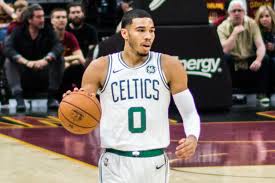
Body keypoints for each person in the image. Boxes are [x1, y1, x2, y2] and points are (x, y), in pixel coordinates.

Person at [64, 9, 200, 183]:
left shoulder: (170, 66)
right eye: (141, 30)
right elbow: (82, 107)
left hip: (155, 161)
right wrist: (72, 104)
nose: (148, 36)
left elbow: (189, 112)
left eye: (152, 31)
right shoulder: (100, 67)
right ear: (125, 33)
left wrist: (193, 137)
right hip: (115, 161)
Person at [3, 4, 64, 111]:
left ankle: (51, 98)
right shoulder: (18, 31)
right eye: (39, 17)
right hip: (24, 71)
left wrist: (46, 59)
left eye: (43, 16)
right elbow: (8, 49)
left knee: (59, 59)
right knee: (9, 61)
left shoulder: (48, 30)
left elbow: (58, 46)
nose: (42, 20)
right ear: (30, 20)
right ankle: (19, 100)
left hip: (43, 71)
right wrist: (25, 62)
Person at [217, 0, 270, 106]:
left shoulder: (252, 23)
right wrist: (234, 33)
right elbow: (225, 50)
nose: (237, 13)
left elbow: (260, 46)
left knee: (265, 58)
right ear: (229, 13)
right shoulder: (222, 27)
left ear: (244, 12)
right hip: (232, 64)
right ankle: (227, 95)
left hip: (249, 63)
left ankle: (262, 94)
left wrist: (258, 60)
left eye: (239, 10)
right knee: (225, 58)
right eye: (234, 11)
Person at [51, 8, 85, 100]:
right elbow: (48, 59)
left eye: (63, 17)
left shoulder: (70, 36)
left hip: (66, 70)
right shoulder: (48, 36)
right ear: (52, 21)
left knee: (78, 68)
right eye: (58, 17)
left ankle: (84, 96)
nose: (61, 19)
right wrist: (68, 60)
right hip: (50, 71)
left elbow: (81, 58)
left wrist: (67, 62)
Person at [255, 5, 275, 91]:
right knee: (265, 59)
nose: (264, 19)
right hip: (263, 58)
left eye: (267, 16)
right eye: (261, 17)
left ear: (272, 17)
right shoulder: (256, 31)